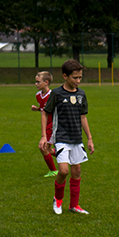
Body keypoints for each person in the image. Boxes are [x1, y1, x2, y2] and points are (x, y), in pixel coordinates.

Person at [41, 59, 94, 215]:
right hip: (61, 137)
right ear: (65, 76)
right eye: (75, 78)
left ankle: (74, 206)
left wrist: (89, 138)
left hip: (76, 138)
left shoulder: (81, 94)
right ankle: (58, 200)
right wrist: (44, 136)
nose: (78, 81)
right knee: (63, 171)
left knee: (76, 172)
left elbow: (83, 117)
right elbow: (45, 113)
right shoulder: (56, 94)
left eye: (80, 77)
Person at [31, 70, 58, 177]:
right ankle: (66, 156)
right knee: (49, 150)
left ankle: (54, 171)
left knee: (42, 147)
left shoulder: (52, 95)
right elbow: (44, 110)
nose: (36, 84)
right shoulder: (38, 95)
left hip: (52, 125)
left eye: (38, 82)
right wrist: (37, 109)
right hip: (46, 124)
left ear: (46, 82)